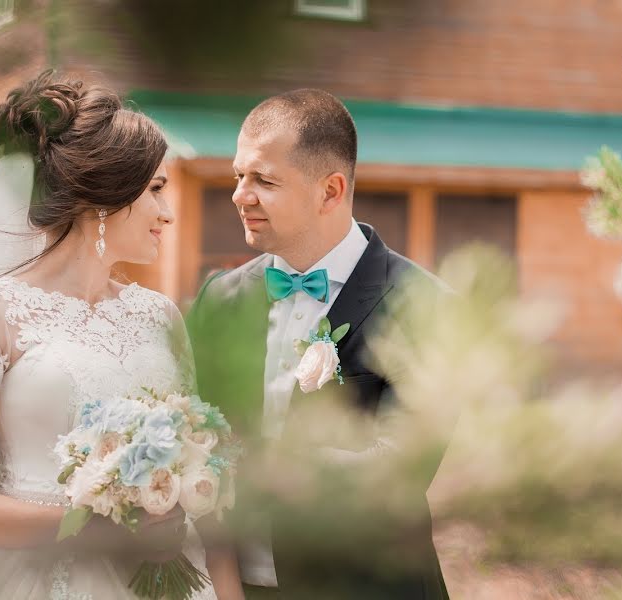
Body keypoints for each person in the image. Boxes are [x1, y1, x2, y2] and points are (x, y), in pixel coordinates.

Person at [0, 71, 240, 599]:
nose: (166, 214)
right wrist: (80, 527)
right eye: (155, 191)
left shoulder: (161, 315)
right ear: (105, 196)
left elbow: (204, 471)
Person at [188, 89, 450, 600]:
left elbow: (403, 467)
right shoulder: (219, 298)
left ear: (330, 191)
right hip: (235, 586)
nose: (240, 195)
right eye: (237, 176)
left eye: (263, 180)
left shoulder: (426, 305)